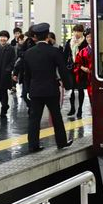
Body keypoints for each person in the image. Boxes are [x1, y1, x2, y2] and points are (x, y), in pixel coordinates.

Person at [23, 23, 72, 152]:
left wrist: (27, 89)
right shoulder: (54, 51)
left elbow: (27, 74)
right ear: (47, 36)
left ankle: (33, 145)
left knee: (34, 119)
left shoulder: (28, 53)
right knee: (56, 117)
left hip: (35, 90)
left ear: (35, 37)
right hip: (51, 90)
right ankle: (61, 142)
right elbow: (62, 70)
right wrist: (68, 85)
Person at [62, 25, 87, 117]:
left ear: (82, 32)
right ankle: (72, 108)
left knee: (80, 89)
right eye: (75, 31)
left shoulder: (85, 42)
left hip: (81, 69)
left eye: (79, 31)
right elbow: (65, 55)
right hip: (71, 68)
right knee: (71, 89)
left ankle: (80, 109)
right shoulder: (70, 42)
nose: (77, 33)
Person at [74, 28, 94, 107]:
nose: (89, 38)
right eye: (87, 37)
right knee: (91, 96)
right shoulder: (83, 51)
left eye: (91, 36)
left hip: (98, 76)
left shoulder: (100, 50)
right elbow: (77, 63)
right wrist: (83, 68)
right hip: (88, 77)